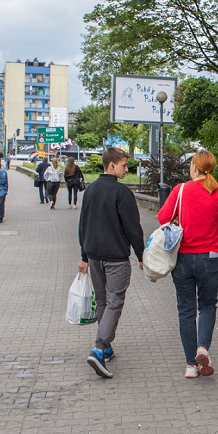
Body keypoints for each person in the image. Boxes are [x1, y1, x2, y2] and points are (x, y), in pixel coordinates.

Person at [157, 149, 218, 379]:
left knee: (186, 311)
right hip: (210, 258)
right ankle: (203, 348)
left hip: (183, 259)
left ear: (194, 167)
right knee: (208, 306)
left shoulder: (180, 190)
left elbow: (163, 218)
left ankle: (191, 365)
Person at [77, 147, 145, 378]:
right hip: (116, 258)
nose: (127, 169)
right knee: (114, 303)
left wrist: (84, 256)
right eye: (124, 165)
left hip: (94, 256)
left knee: (103, 302)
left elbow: (83, 224)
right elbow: (133, 228)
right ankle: (98, 349)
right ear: (112, 165)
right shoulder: (122, 192)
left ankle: (106, 347)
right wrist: (141, 254)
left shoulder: (90, 189)